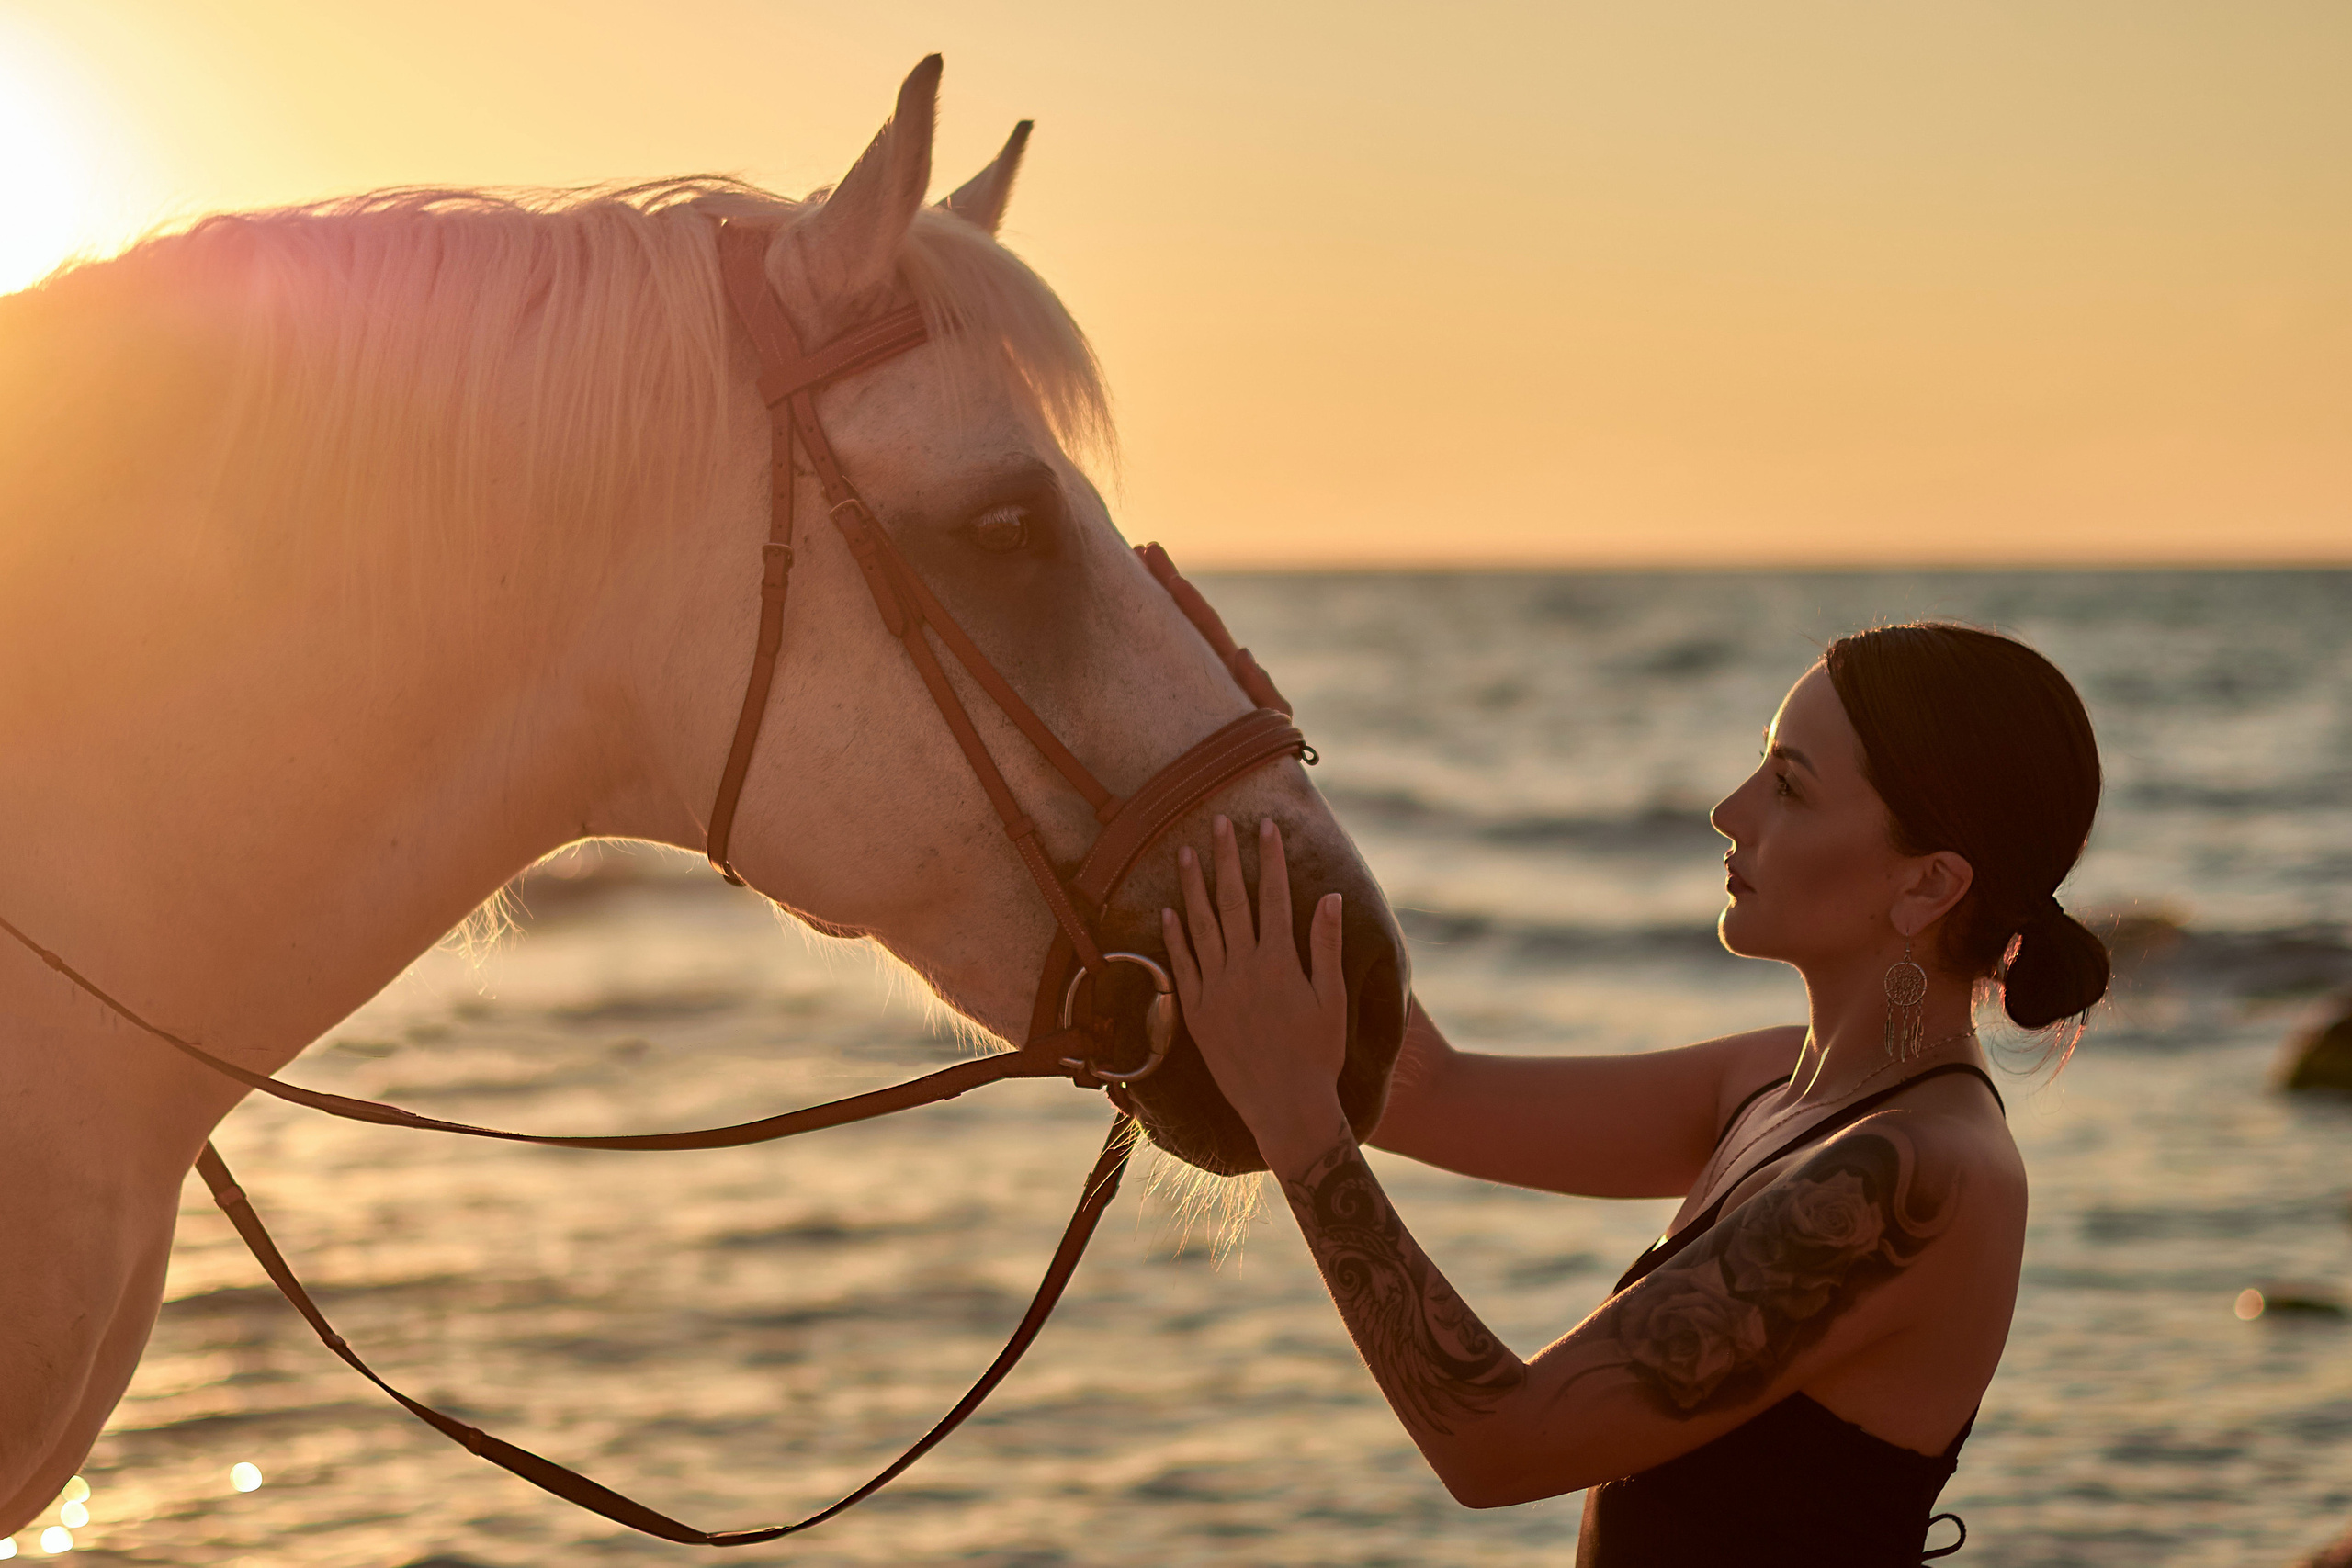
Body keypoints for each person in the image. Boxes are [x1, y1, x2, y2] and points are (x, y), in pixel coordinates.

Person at [1163, 622, 2110, 1567]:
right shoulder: (1776, 1082)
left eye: (1788, 785)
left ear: (1928, 884)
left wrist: (1296, 1125)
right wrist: (1251, 779)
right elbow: (1427, 1093)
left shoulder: (1920, 1175)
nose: (1728, 810)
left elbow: (1499, 1445)